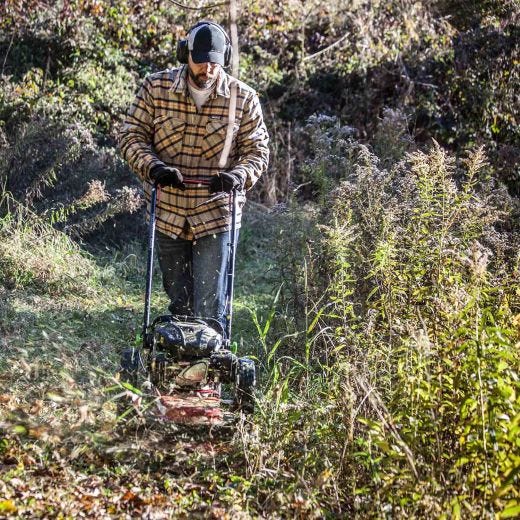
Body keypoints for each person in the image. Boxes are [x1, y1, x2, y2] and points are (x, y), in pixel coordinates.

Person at [118, 20, 269, 331]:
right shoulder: (155, 88)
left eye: (213, 61)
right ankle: (178, 372)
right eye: (200, 60)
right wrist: (153, 167)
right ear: (184, 54)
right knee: (179, 300)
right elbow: (131, 136)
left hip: (216, 215)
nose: (207, 69)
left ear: (223, 59)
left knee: (210, 307)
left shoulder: (243, 99)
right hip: (169, 213)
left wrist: (237, 176)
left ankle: (208, 375)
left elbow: (258, 152)